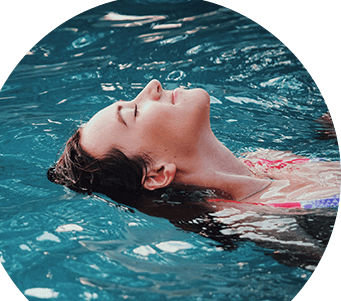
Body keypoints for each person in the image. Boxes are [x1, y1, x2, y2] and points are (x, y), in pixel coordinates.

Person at [47, 79, 340, 208]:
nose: (152, 85)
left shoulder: (262, 159)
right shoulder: (260, 218)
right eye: (134, 112)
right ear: (158, 174)